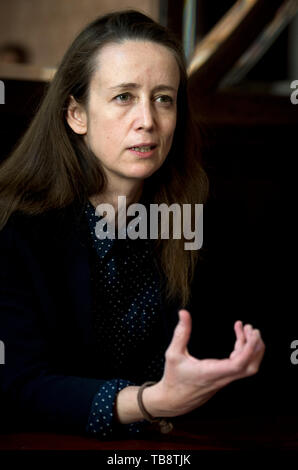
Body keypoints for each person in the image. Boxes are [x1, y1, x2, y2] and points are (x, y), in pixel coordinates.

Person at [0, 10, 265, 439]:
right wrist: (147, 401)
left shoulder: (199, 220)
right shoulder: (14, 229)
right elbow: (15, 386)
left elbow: (226, 362)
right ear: (76, 114)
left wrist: (234, 368)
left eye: (164, 98)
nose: (148, 120)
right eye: (124, 96)